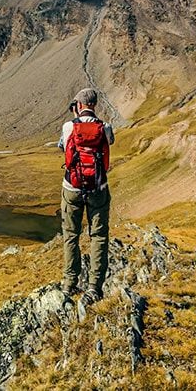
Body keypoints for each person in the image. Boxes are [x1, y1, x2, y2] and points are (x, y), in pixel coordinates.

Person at [57, 88, 114, 307]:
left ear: (79, 105)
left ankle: (69, 283)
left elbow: (63, 146)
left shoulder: (69, 126)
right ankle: (94, 287)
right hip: (98, 188)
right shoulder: (105, 127)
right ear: (94, 105)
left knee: (71, 234)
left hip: (71, 187)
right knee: (98, 235)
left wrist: (75, 121)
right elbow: (111, 142)